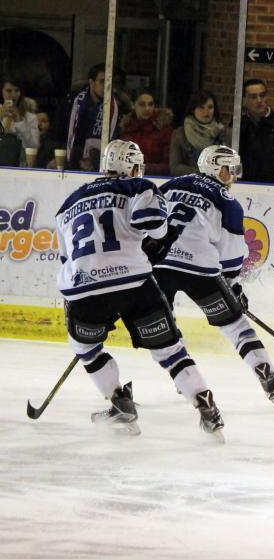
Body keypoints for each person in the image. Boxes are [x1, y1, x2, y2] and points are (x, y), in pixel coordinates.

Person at [54, 139, 224, 437]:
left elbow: (67, 258)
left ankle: (119, 402)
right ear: (133, 167)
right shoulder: (137, 187)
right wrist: (157, 240)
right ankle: (205, 406)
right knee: (170, 351)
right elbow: (153, 224)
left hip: (85, 289)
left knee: (85, 347)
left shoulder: (68, 203)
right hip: (136, 284)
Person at [154, 145, 274, 405]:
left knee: (164, 328)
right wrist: (233, 287)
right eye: (231, 169)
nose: (234, 176)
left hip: (159, 264)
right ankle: (265, 372)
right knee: (235, 325)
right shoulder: (227, 202)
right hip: (200, 268)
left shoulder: (170, 185)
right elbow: (231, 255)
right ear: (219, 169)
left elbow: (149, 220)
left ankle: (184, 378)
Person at [62, 64, 118, 171]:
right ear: (91, 82)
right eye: (102, 81)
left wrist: (95, 160)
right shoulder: (74, 102)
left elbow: (113, 142)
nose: (106, 86)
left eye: (109, 82)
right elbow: (64, 134)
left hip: (99, 165)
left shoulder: (113, 106)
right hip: (72, 161)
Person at [170, 89, 226, 176]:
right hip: (190, 182)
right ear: (193, 109)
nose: (206, 112)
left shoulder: (224, 133)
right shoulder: (180, 134)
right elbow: (175, 168)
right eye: (201, 107)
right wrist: (205, 172)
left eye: (210, 107)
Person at [118, 89, 173, 176]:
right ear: (133, 105)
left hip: (156, 179)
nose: (147, 108)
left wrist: (142, 168)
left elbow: (169, 165)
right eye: (142, 104)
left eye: (150, 104)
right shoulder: (126, 129)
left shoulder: (164, 130)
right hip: (129, 179)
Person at [239, 78, 274, 183]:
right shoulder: (238, 124)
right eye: (253, 97)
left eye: (262, 95)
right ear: (244, 100)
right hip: (245, 184)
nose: (259, 100)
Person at [2, 76, 39, 165]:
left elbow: (33, 146)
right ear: (1, 92)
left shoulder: (31, 118)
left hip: (19, 165)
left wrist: (19, 121)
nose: (13, 95)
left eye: (17, 90)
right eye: (9, 91)